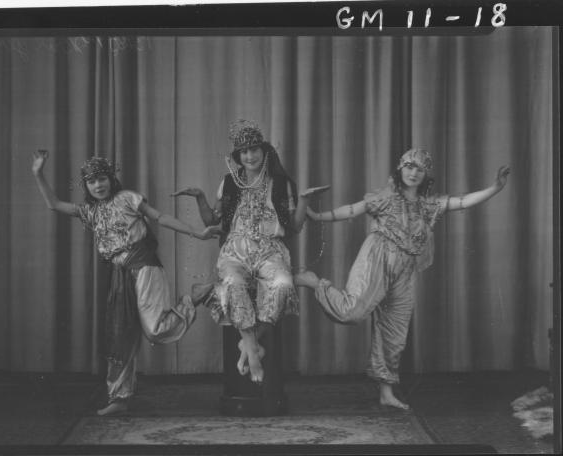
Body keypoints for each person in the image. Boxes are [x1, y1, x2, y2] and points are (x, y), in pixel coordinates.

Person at [294, 148, 511, 410]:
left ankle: (386, 393)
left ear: (425, 174)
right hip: (378, 256)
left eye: (419, 169)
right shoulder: (386, 197)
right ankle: (314, 282)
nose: (413, 172)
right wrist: (317, 216)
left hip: (405, 269)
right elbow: (353, 210)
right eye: (409, 166)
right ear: (400, 169)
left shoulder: (429, 205)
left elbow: (462, 201)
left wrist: (495, 188)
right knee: (351, 312)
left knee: (394, 332)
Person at [32, 150, 218, 416]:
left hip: (143, 266)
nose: (98, 185)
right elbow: (54, 204)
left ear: (111, 179)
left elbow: (160, 218)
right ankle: (119, 398)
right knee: (121, 334)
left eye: (102, 178)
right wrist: (38, 173)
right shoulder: (91, 212)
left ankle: (195, 297)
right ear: (86, 185)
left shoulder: (127, 198)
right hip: (120, 275)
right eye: (92, 181)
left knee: (155, 330)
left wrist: (197, 233)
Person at [172, 120, 329, 383]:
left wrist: (303, 201)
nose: (250, 156)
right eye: (244, 152)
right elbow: (213, 222)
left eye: (254, 149)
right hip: (235, 251)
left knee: (282, 284)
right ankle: (255, 355)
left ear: (264, 151)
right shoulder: (229, 184)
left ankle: (248, 347)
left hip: (270, 250)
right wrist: (200, 197)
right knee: (233, 284)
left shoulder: (281, 184)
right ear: (237, 157)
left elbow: (296, 226)